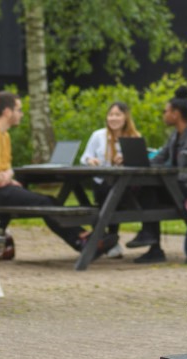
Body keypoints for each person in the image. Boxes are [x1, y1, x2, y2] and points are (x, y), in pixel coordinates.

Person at [0, 91, 118, 258]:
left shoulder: (4, 135)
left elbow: (6, 171)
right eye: (19, 110)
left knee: (50, 201)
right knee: (45, 202)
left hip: (2, 189)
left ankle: (81, 238)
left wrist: (7, 176)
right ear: (7, 112)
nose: (21, 114)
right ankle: (81, 240)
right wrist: (6, 176)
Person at [126, 87, 187, 264]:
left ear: (176, 113)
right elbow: (159, 158)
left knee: (152, 189)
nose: (163, 115)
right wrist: (139, 162)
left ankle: (150, 237)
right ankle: (153, 245)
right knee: (147, 188)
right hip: (179, 185)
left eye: (165, 111)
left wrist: (169, 180)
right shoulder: (174, 136)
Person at [78, 101, 143, 258]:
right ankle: (108, 240)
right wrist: (90, 161)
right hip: (101, 182)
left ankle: (108, 240)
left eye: (117, 114)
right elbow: (85, 157)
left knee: (115, 193)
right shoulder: (98, 135)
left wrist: (126, 158)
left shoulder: (134, 137)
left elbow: (140, 162)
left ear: (125, 117)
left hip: (126, 185)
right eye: (111, 114)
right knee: (104, 191)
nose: (113, 118)